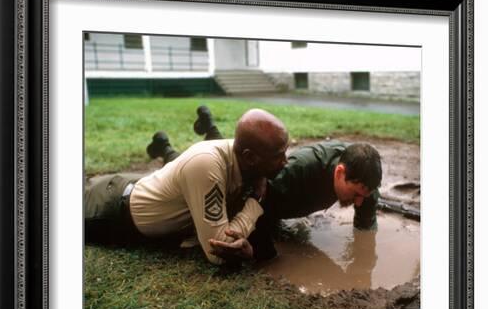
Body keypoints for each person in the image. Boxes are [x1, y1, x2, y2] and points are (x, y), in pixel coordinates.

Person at [146, 106, 382, 260]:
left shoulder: (365, 183)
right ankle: (165, 147)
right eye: (356, 194)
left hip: (255, 166)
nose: (360, 201)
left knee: (229, 159)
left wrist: (362, 256)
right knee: (208, 172)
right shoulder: (292, 176)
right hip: (244, 176)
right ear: (340, 173)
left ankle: (209, 127)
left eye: (365, 195)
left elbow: (365, 230)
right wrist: (262, 251)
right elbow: (250, 201)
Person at [85, 108, 289, 265]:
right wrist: (255, 201)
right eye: (278, 156)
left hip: (142, 185)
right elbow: (217, 253)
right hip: (111, 210)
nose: (285, 161)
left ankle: (162, 144)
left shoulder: (242, 158)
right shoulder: (207, 165)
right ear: (250, 157)